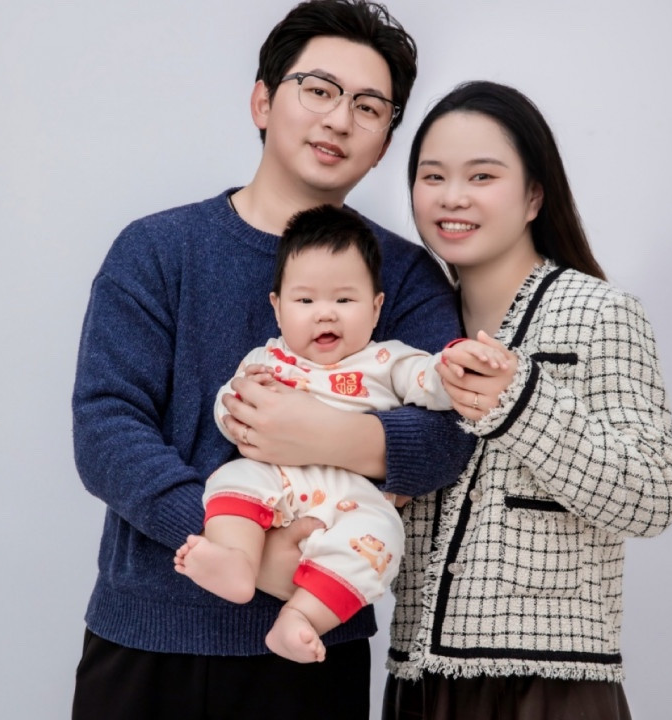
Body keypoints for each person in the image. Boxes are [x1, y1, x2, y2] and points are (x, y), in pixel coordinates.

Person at [71, 2, 476, 719]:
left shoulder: (405, 276)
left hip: (312, 649)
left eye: (368, 106)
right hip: (147, 633)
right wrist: (246, 548)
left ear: (385, 142)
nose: (339, 119)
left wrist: (325, 435)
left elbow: (449, 434)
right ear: (262, 100)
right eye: (318, 90)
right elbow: (107, 429)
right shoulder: (157, 250)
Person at [382, 80, 672, 720]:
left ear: (533, 196)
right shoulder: (409, 330)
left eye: (482, 176)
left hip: (549, 685)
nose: (452, 197)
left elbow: (655, 496)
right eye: (432, 176)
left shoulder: (601, 313)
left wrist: (521, 405)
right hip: (418, 680)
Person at [173, 205, 507, 664]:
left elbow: (426, 380)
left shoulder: (385, 360)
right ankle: (235, 559)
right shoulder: (267, 359)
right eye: (305, 301)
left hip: (350, 495)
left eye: (345, 301)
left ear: (375, 308)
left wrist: (453, 366)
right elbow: (229, 402)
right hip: (274, 477)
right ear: (277, 308)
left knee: (380, 538)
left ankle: (301, 617)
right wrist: (233, 406)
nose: (325, 315)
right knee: (230, 481)